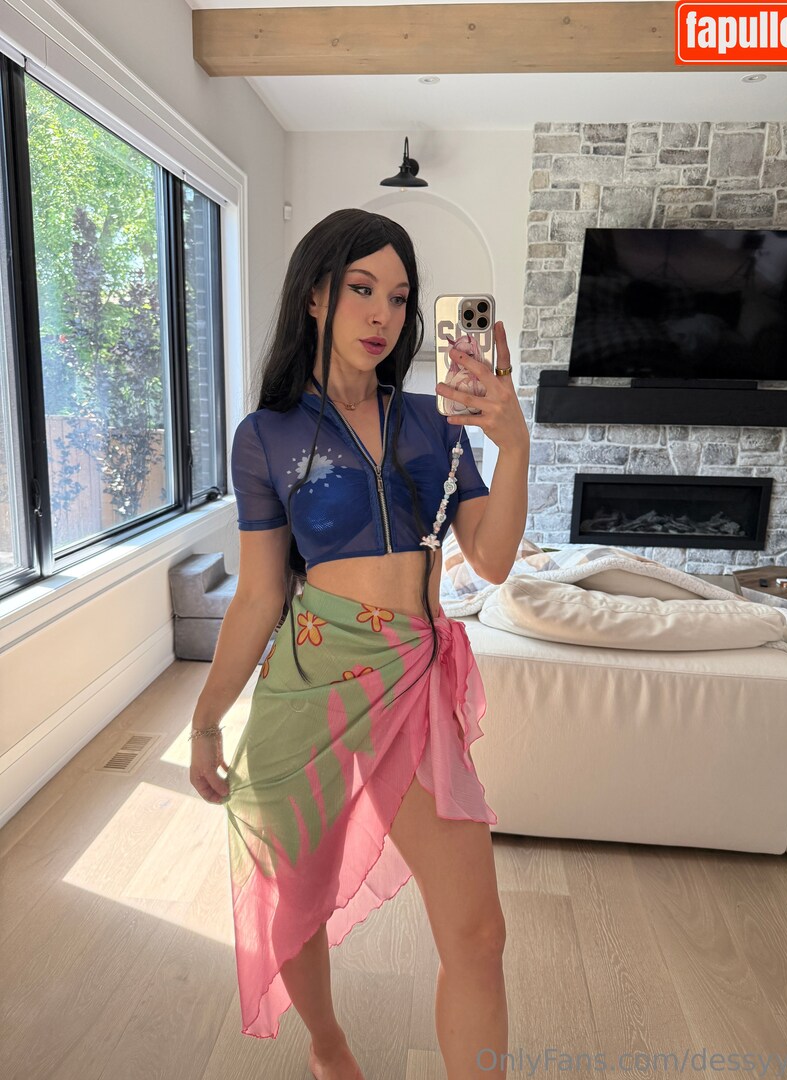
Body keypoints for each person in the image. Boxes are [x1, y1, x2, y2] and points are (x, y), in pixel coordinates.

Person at [188, 208, 530, 1080]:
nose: (383, 314)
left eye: (400, 297)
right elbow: (261, 593)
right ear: (315, 295)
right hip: (308, 682)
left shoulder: (433, 421)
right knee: (296, 902)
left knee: (478, 934)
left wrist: (514, 442)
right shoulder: (266, 436)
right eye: (362, 288)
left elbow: (491, 561)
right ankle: (328, 1046)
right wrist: (205, 719)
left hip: (412, 679)